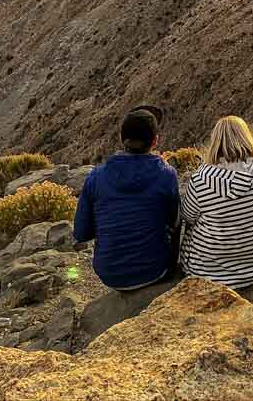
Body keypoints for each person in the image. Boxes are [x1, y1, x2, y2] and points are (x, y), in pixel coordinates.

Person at [180, 115, 253, 308]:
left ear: (215, 143)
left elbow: (188, 216)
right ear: (246, 138)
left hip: (209, 271)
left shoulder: (200, 180)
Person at [73, 106, 180, 291]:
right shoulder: (166, 175)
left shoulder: (96, 177)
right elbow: (173, 221)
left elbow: (82, 233)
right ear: (155, 141)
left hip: (110, 274)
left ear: (122, 139)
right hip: (154, 271)